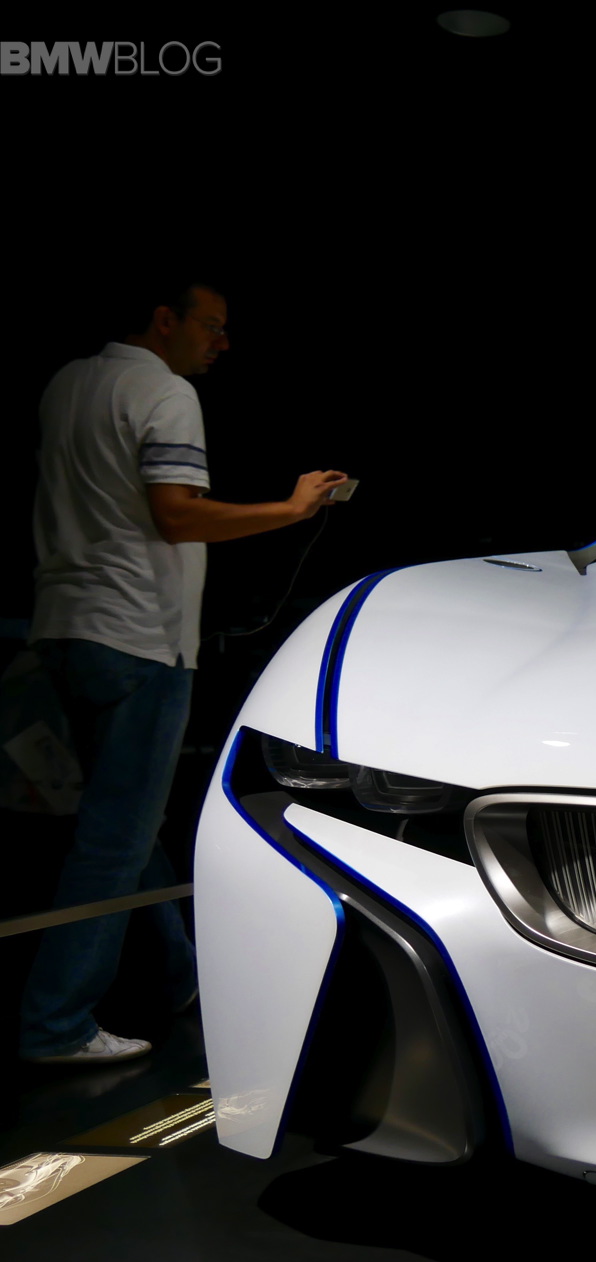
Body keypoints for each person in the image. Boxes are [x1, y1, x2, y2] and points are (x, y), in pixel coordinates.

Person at [20, 280, 349, 1065]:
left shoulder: (68, 382)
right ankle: (55, 1023)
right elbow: (176, 514)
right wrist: (292, 508)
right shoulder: (165, 393)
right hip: (139, 638)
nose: (222, 342)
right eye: (211, 325)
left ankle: (179, 976)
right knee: (114, 839)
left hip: (63, 628)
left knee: (125, 823)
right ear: (164, 320)